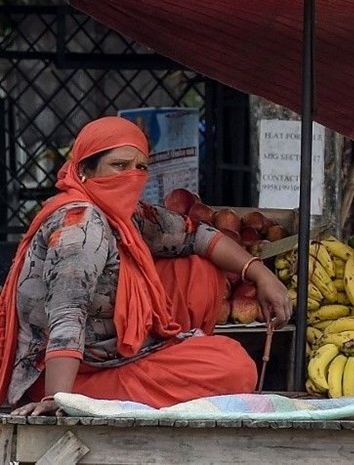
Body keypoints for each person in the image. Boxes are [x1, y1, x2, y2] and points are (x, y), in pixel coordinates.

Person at [0, 116, 292, 416]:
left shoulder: (127, 216)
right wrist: (58, 400)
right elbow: (67, 315)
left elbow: (198, 235)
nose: (132, 175)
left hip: (113, 355)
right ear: (85, 170)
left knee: (197, 272)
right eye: (119, 165)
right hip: (67, 374)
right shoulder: (80, 226)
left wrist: (259, 273)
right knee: (234, 367)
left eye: (140, 167)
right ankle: (84, 400)